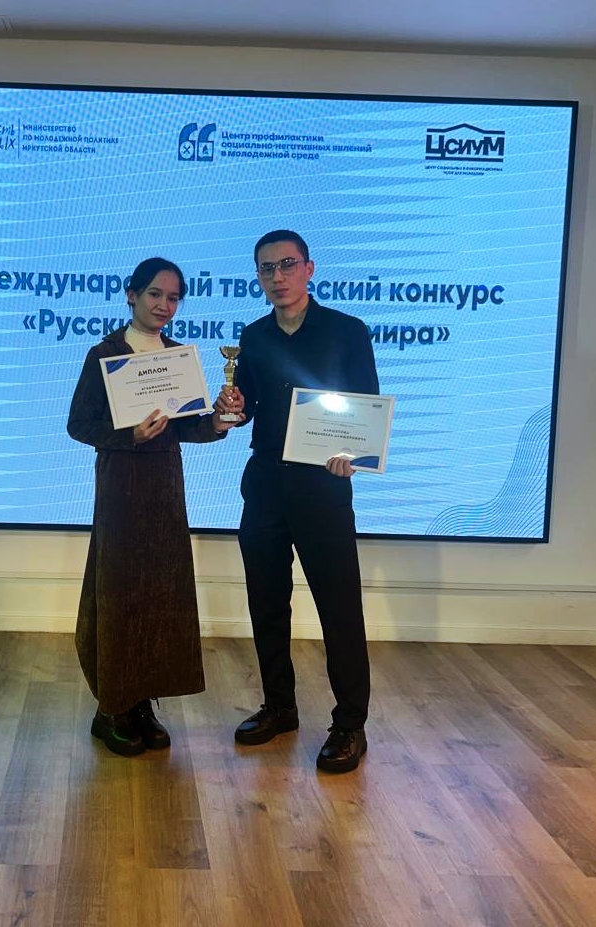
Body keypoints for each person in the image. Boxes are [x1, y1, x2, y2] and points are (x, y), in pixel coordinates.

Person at [67, 257, 244, 758]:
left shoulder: (177, 358)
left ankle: (142, 702)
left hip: (165, 490)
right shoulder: (104, 354)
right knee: (120, 595)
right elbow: (79, 425)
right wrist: (130, 435)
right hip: (121, 489)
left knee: (160, 597)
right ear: (131, 295)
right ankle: (111, 709)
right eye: (154, 294)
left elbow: (188, 427)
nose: (164, 305)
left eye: (173, 297)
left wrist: (219, 421)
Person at [229, 229, 379, 773]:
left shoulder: (347, 331)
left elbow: (366, 408)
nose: (278, 276)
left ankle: (350, 724)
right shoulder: (253, 336)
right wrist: (232, 408)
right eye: (266, 268)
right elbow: (246, 408)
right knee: (266, 602)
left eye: (287, 264)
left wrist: (352, 454)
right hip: (266, 483)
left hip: (323, 486)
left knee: (339, 608)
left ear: (310, 269)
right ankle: (280, 706)